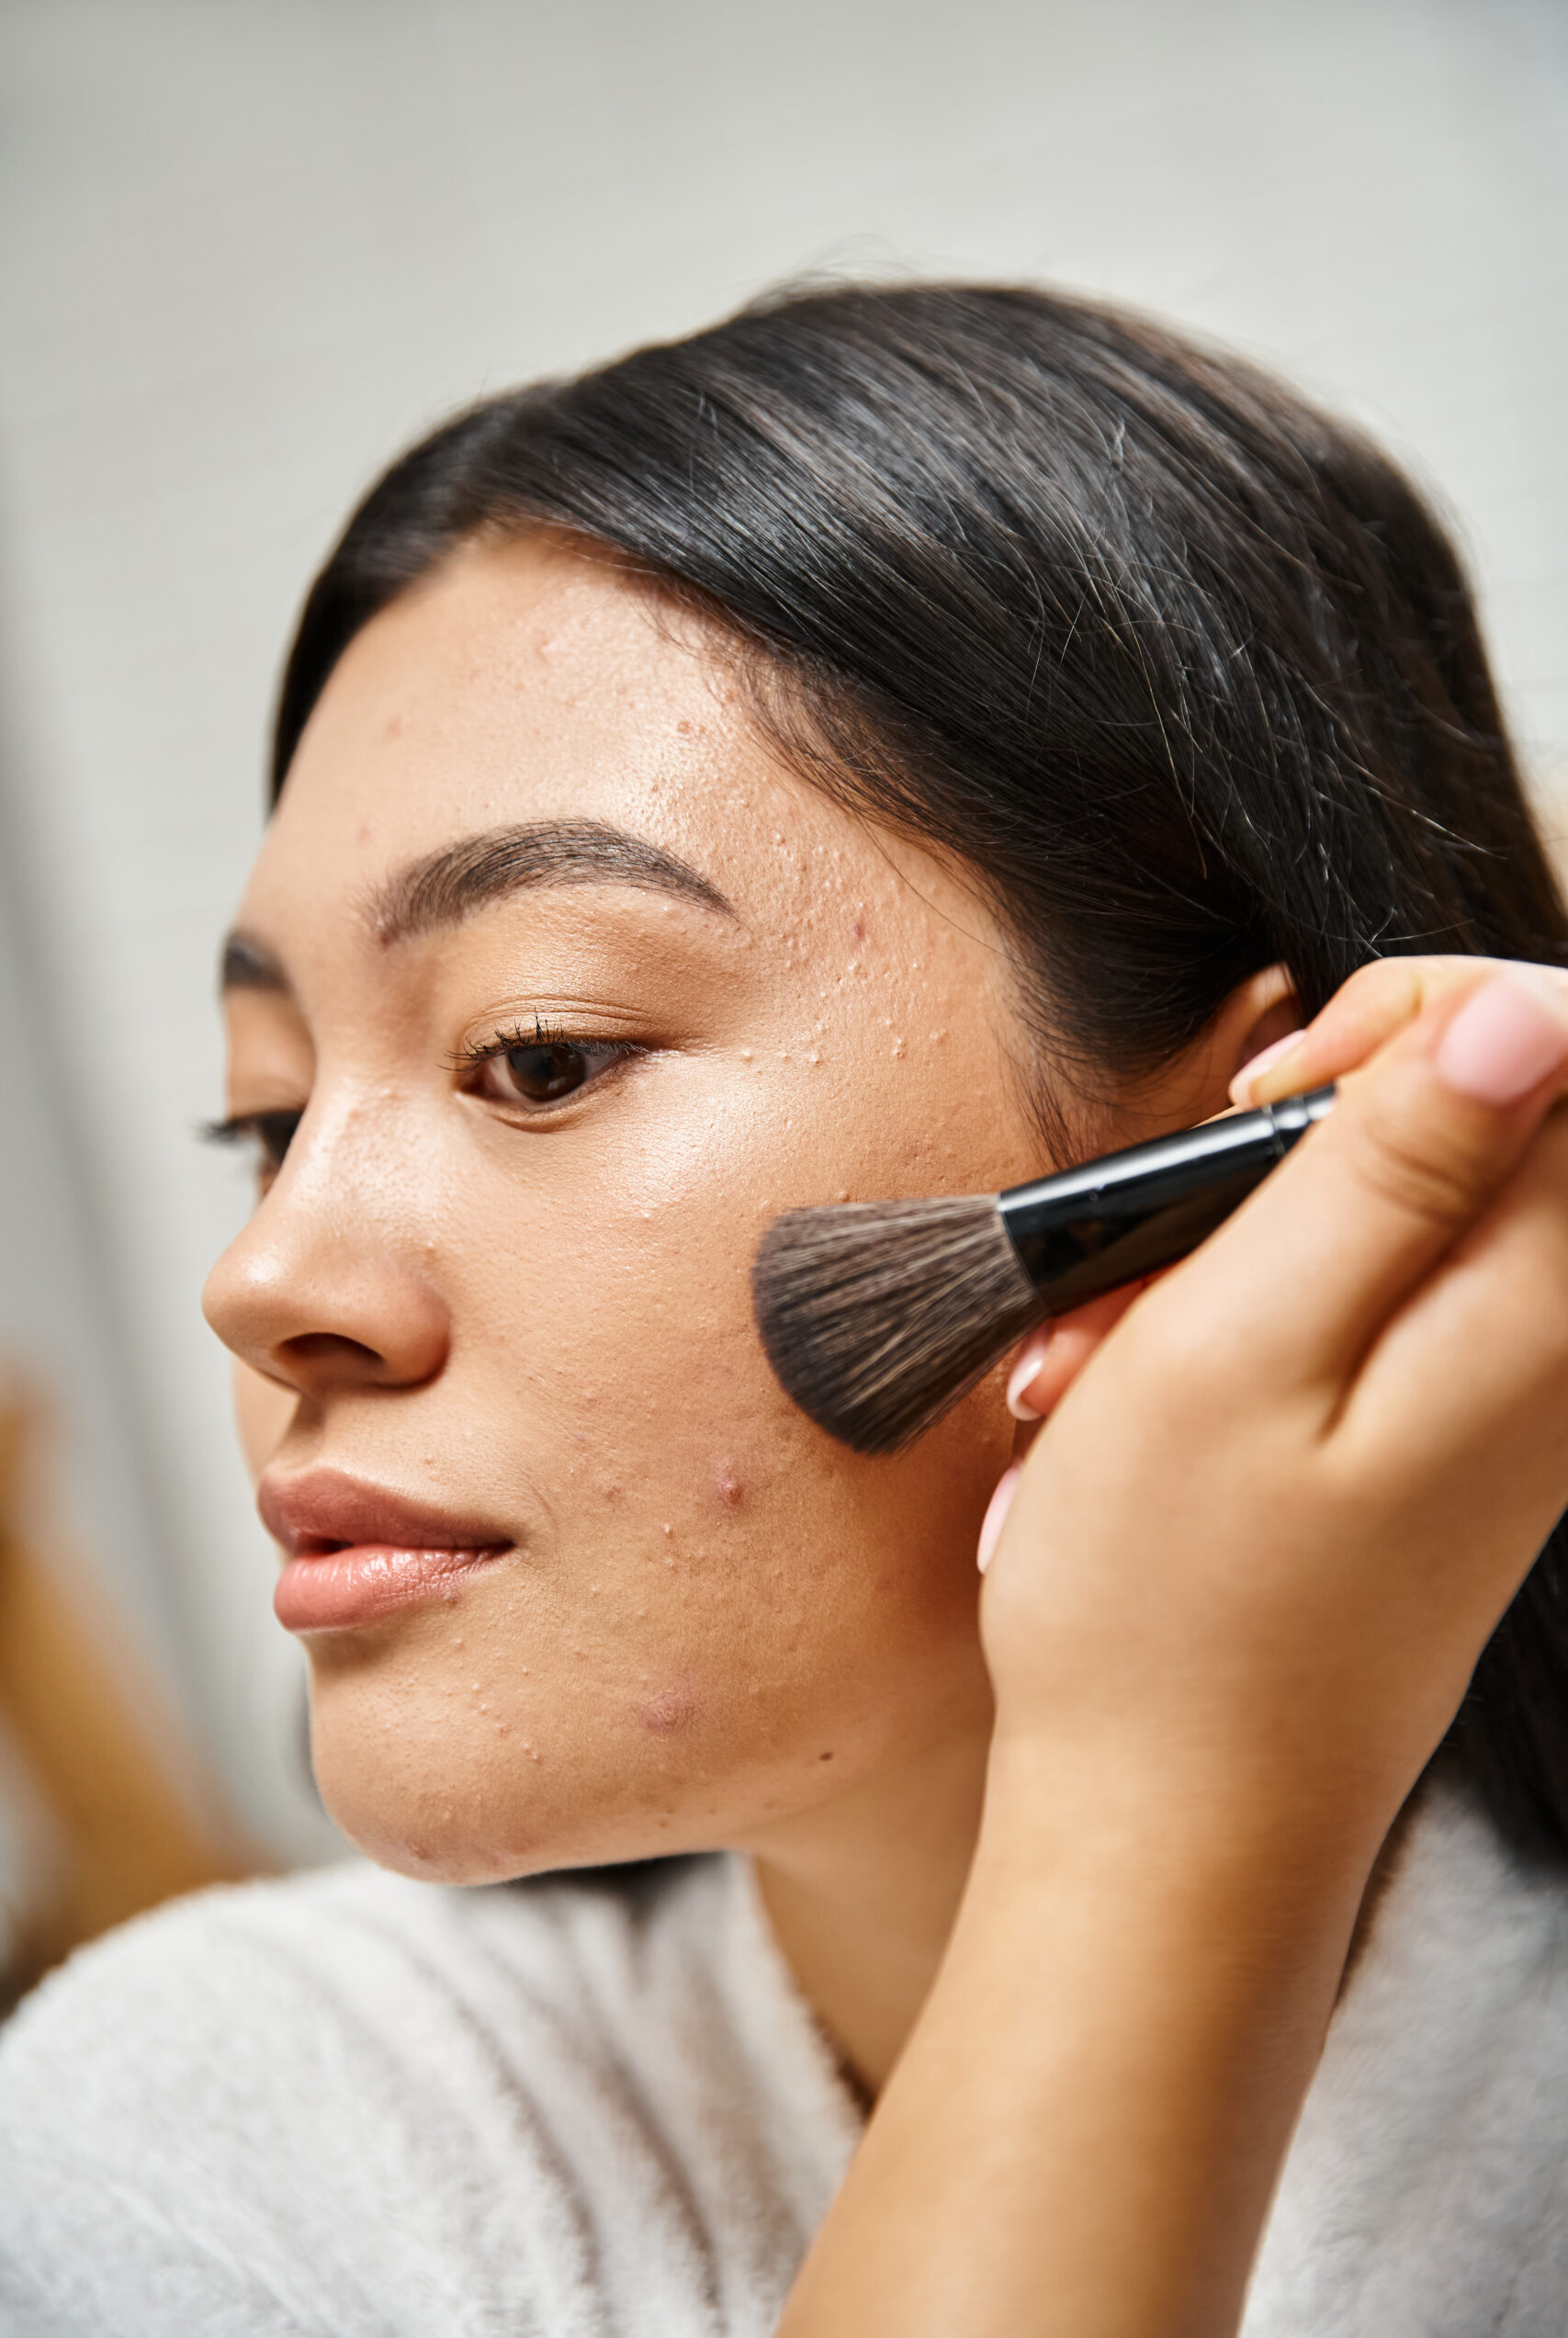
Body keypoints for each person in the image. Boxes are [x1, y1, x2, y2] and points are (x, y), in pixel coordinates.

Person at [3, 284, 1567, 2338]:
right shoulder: (204, 2135)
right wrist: (1167, 1802)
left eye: (539, 1052)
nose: (267, 1275)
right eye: (265, 1118)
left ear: (1260, 1163)